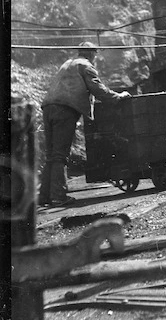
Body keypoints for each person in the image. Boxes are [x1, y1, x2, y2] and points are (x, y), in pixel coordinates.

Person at [39, 42, 131, 206]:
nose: (95, 58)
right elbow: (98, 90)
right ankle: (59, 197)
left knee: (52, 155)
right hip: (65, 110)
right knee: (60, 155)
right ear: (91, 54)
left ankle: (45, 197)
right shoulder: (86, 66)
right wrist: (119, 97)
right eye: (95, 54)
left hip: (48, 107)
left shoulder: (67, 64)